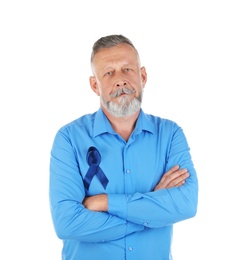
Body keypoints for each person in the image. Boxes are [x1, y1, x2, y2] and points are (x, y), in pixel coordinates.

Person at [49, 34, 198, 260]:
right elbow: (68, 223)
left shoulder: (170, 135)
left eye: (127, 69)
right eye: (108, 72)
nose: (120, 80)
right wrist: (150, 209)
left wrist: (105, 202)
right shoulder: (69, 139)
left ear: (143, 76)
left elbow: (186, 204)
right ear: (94, 85)